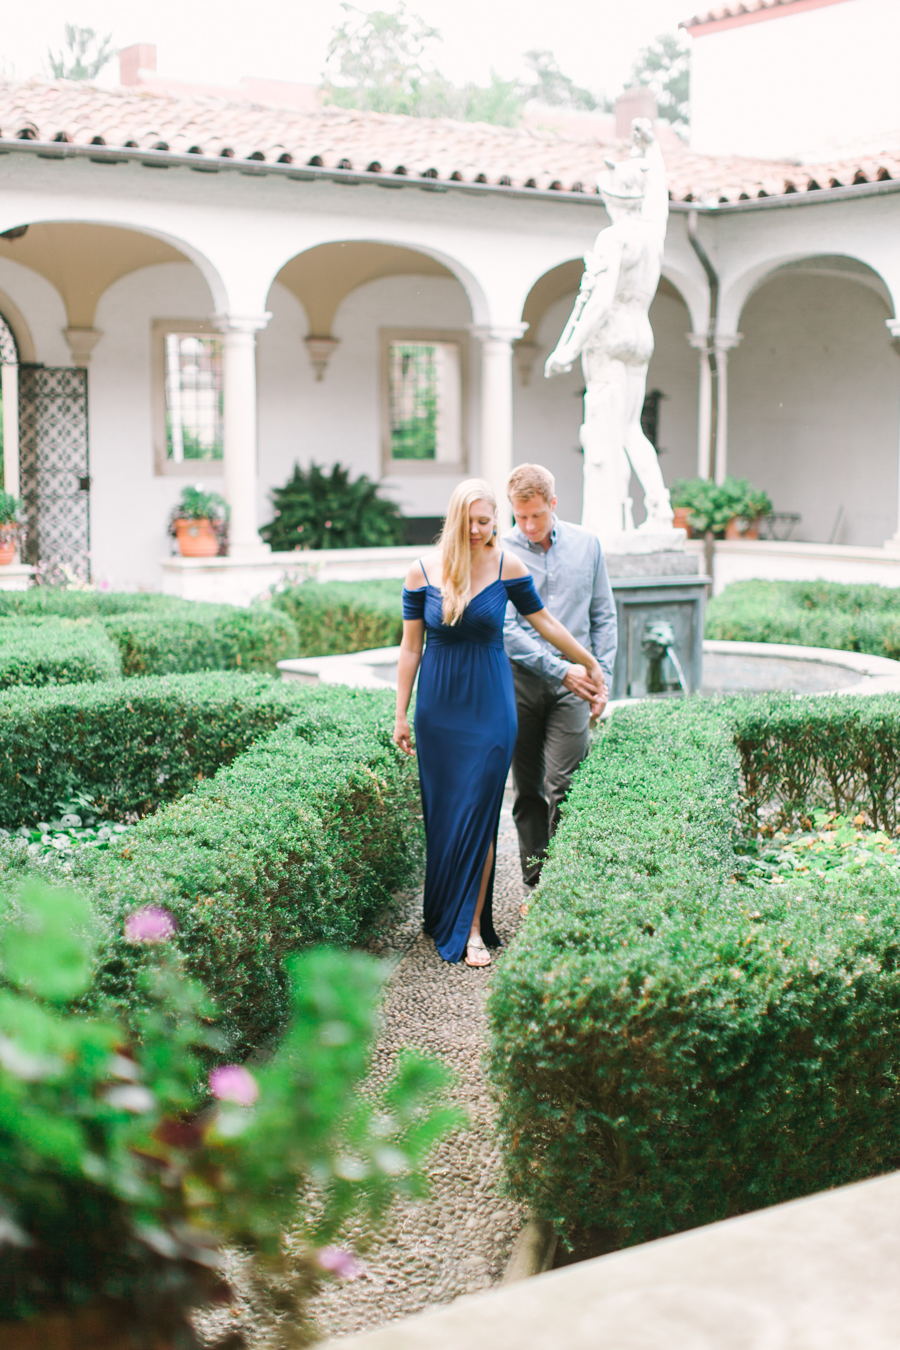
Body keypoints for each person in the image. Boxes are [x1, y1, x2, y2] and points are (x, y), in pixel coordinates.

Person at [393, 478, 606, 968]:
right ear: (453, 520)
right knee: (445, 814)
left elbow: (545, 622)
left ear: (495, 522)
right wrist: (401, 713)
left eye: (485, 522)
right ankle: (444, 910)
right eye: (468, 522)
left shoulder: (507, 564)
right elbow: (410, 649)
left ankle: (470, 929)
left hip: (491, 706)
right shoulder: (420, 572)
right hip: (438, 709)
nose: (476, 530)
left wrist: (588, 662)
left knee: (480, 811)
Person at [502, 463, 617, 892]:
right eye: (520, 516)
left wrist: (600, 675)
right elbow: (505, 627)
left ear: (553, 503)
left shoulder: (588, 546)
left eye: (537, 515)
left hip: (575, 687)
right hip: (520, 682)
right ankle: (536, 880)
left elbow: (603, 615)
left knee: (566, 784)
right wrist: (559, 668)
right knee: (527, 788)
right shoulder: (500, 552)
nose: (528, 526)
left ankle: (565, 882)